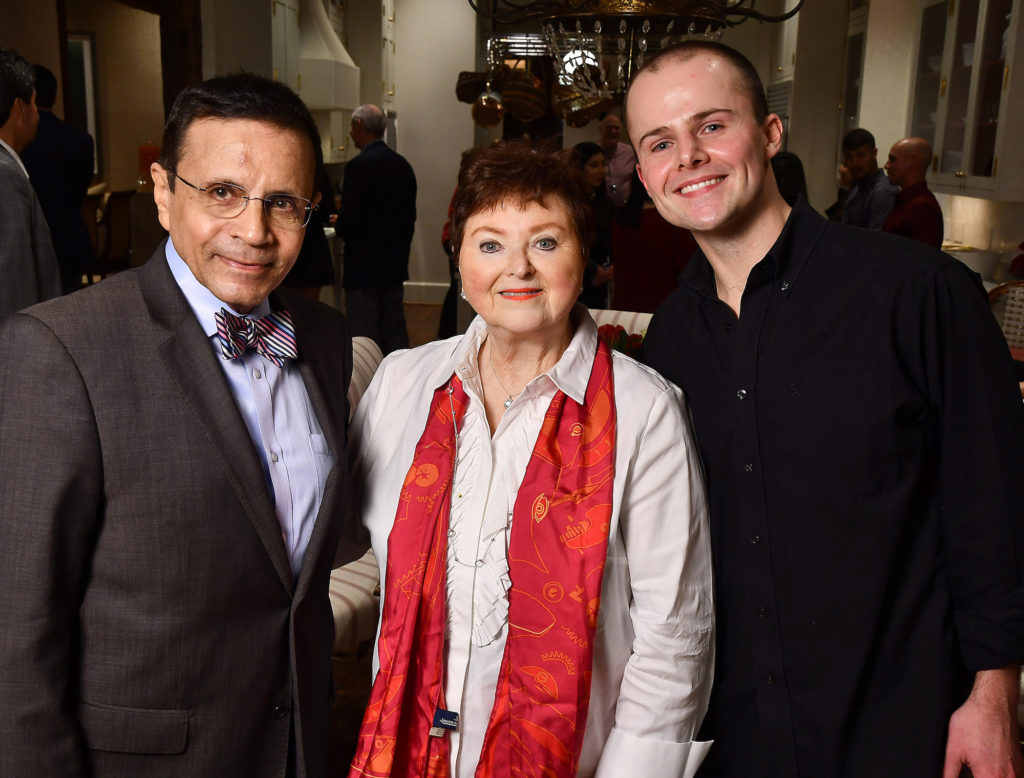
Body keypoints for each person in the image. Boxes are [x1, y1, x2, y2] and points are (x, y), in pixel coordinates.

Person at [625, 40, 1024, 777]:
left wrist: (994, 694)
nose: (689, 156)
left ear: (770, 134)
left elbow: (992, 506)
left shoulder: (919, 293)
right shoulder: (672, 340)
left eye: (712, 125)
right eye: (660, 141)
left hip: (902, 726)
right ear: (645, 173)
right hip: (733, 735)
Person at [0, 72, 360, 777]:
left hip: (297, 747)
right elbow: (16, 631)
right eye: (222, 192)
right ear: (163, 192)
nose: (253, 232)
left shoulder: (324, 338)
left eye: (283, 204)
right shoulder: (60, 349)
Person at [347, 140, 713, 778]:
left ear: (585, 258)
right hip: (404, 748)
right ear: (458, 260)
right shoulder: (403, 383)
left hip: (573, 759)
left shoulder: (645, 409)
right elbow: (320, 530)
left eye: (545, 242)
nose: (516, 268)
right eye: (489, 244)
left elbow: (675, 635)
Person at [339, 103, 416, 354]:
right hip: (394, 264)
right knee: (394, 331)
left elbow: (348, 222)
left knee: (364, 338)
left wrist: (339, 224)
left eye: (352, 127)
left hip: (363, 268)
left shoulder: (357, 167)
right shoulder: (402, 165)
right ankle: (403, 386)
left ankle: (370, 391)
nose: (351, 133)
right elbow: (409, 217)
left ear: (359, 125)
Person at [21, 63, 95, 293]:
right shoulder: (80, 140)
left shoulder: (22, 143)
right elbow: (80, 191)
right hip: (70, 239)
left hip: (32, 246)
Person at [0, 47, 60, 318]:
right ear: (19, 109)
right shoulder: (5, 176)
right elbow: (14, 283)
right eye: (34, 103)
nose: (37, 113)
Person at [573, 141, 614, 309]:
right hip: (578, 274)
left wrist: (608, 269)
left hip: (601, 277)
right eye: (594, 165)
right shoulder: (570, 202)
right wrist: (592, 270)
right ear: (579, 168)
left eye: (603, 164)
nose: (601, 170)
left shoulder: (602, 200)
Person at [882, 136, 944, 248]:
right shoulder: (905, 201)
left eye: (893, 159)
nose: (886, 165)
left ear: (913, 161)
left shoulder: (921, 208)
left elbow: (922, 260)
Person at [835, 127, 897, 229]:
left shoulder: (882, 191)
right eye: (849, 157)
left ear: (874, 153)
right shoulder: (857, 187)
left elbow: (874, 240)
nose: (855, 163)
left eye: (861, 155)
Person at [597, 113, 636, 207]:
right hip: (600, 210)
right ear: (601, 129)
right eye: (609, 127)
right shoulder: (594, 152)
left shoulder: (630, 153)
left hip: (626, 210)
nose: (613, 131)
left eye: (616, 128)